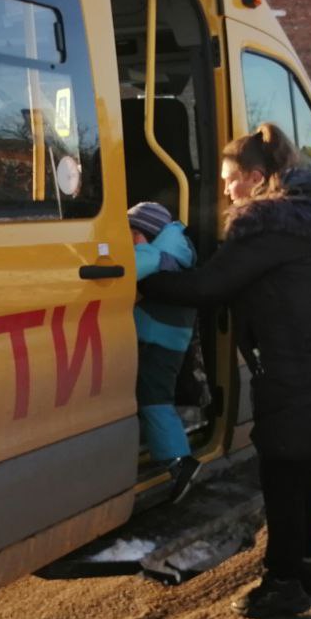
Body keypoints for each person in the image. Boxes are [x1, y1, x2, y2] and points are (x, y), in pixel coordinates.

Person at [138, 123, 311, 617]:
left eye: (230, 179)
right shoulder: (296, 224)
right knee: (300, 471)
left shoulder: (266, 227)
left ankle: (283, 582)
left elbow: (207, 288)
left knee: (284, 478)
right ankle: (308, 566)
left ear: (257, 177)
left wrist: (139, 279)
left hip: (303, 371)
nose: (224, 189)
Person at [129, 201, 202, 505]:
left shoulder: (158, 253)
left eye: (131, 234)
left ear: (145, 233)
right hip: (168, 339)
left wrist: (142, 248)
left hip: (158, 340)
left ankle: (179, 462)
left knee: (153, 398)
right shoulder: (174, 248)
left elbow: (129, 267)